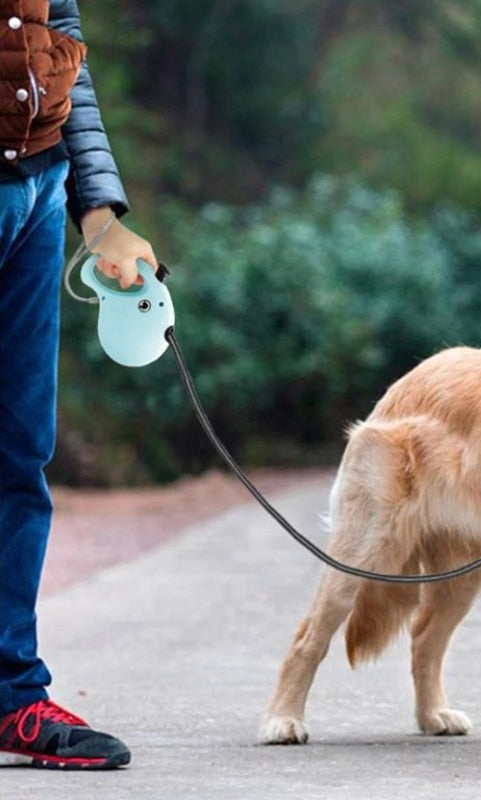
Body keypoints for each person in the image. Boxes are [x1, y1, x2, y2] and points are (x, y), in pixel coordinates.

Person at [0, 0, 155, 769]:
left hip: (37, 186)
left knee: (19, 455)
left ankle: (12, 697)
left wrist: (98, 212)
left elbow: (62, 39)